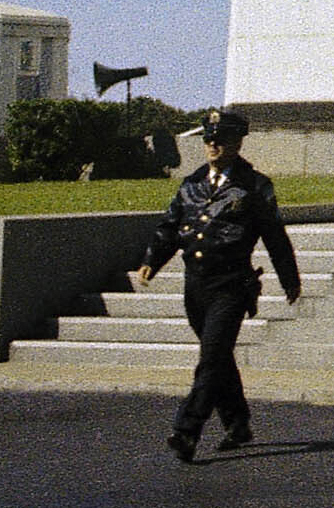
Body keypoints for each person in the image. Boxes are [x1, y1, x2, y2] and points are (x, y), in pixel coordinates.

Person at [135, 108, 300, 463]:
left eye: (220, 139)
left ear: (237, 143)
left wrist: (289, 278)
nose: (212, 145)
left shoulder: (254, 186)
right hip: (196, 285)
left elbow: (275, 236)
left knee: (210, 358)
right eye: (208, 139)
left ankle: (187, 430)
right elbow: (170, 226)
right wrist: (152, 259)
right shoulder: (192, 183)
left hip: (231, 284)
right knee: (219, 357)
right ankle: (237, 422)